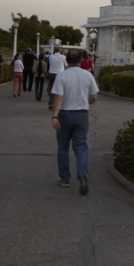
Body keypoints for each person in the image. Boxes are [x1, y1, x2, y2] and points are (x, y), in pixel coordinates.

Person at [50, 48, 99, 195]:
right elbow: (94, 97)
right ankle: (83, 172)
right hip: (81, 114)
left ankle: (64, 178)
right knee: (81, 147)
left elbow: (58, 97)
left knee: (63, 148)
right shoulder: (87, 75)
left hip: (64, 114)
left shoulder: (62, 76)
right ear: (80, 60)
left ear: (66, 60)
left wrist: (54, 116)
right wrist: (86, 102)